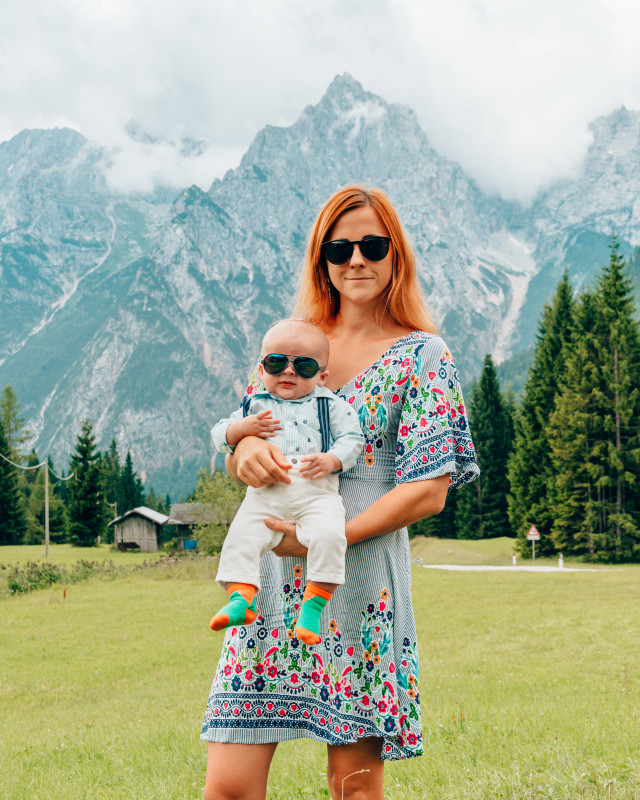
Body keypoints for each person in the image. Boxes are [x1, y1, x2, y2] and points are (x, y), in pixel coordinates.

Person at [201, 186, 479, 800]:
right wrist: (242, 450)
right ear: (321, 259)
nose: (356, 259)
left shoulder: (422, 356)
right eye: (340, 247)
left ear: (395, 256)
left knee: (351, 787)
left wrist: (323, 541)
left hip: (356, 588)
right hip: (270, 588)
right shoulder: (291, 345)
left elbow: (430, 491)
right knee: (228, 787)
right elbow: (248, 436)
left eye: (372, 245)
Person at [209, 318, 364, 645]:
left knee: (329, 535)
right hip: (265, 493)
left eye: (304, 366)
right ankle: (241, 598)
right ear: (262, 368)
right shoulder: (254, 405)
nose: (288, 372)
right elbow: (219, 435)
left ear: (322, 376)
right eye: (276, 362)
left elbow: (352, 439)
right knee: (242, 536)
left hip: (315, 491)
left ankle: (313, 606)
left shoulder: (330, 405)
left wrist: (333, 459)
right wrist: (242, 431)